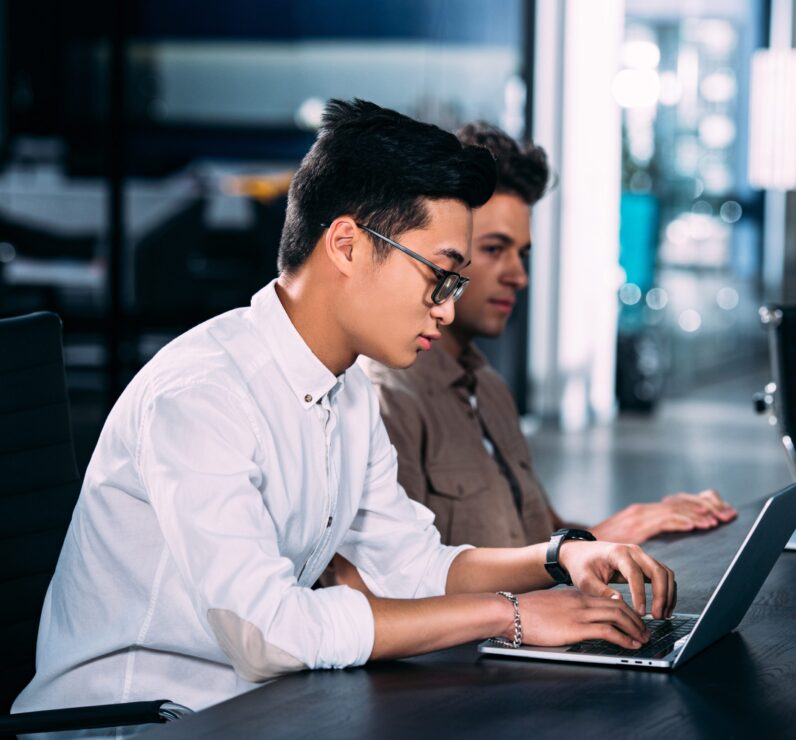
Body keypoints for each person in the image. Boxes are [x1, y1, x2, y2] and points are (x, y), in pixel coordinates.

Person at [14, 101, 675, 731]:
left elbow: (410, 564)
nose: (445, 310)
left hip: (254, 710)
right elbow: (267, 633)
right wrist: (510, 616)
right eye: (439, 277)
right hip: (132, 722)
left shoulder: (347, 390)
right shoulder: (202, 395)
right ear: (347, 245)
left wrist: (567, 556)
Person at [358, 122, 737, 550]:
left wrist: (636, 530)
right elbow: (408, 587)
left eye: (521, 254)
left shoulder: (489, 389)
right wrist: (609, 536)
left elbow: (541, 541)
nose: (518, 275)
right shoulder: (386, 398)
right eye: (493, 249)